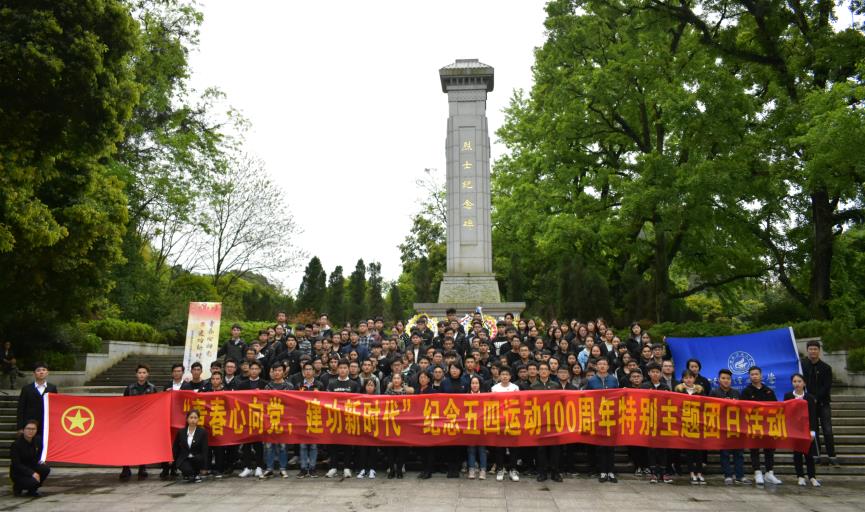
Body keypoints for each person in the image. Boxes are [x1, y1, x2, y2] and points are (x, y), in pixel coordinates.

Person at [741, 366, 782, 486]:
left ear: (761, 375)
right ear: (749, 376)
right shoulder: (746, 391)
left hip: (768, 424)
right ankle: (757, 472)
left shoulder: (768, 391)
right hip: (753, 425)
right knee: (754, 448)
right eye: (752, 374)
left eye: (756, 374)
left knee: (769, 449)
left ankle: (769, 472)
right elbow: (743, 408)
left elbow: (776, 407)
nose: (754, 376)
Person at [801, 340, 837, 466]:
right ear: (807, 350)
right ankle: (816, 454)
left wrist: (816, 398)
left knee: (827, 429)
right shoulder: (803, 366)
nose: (813, 351)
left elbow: (827, 386)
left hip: (823, 403)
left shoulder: (826, 368)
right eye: (810, 349)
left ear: (819, 351)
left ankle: (832, 455)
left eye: (815, 349)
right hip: (809, 404)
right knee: (813, 429)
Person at [710, 369, 749, 485]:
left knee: (739, 453)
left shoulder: (736, 393)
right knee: (725, 453)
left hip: (736, 427)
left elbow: (742, 409)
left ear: (731, 380)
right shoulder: (714, 393)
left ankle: (740, 476)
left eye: (728, 378)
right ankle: (728, 475)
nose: (726, 380)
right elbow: (709, 409)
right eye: (723, 378)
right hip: (722, 427)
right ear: (718, 380)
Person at [121, 364, 158, 481]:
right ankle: (126, 467)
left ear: (148, 374)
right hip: (132, 421)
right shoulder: (129, 388)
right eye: (140, 373)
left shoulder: (152, 388)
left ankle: (142, 468)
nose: (142, 375)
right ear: (136, 374)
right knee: (128, 445)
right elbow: (124, 405)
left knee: (143, 445)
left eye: (144, 372)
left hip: (146, 422)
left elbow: (156, 404)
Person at [325, 359, 361, 479]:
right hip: (335, 418)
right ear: (337, 369)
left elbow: (358, 401)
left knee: (348, 443)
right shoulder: (331, 384)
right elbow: (327, 400)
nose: (343, 370)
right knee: (333, 443)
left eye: (345, 368)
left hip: (348, 418)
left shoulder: (354, 384)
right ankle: (333, 467)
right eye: (341, 368)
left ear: (349, 369)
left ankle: (347, 467)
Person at [585, 358, 619, 483]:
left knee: (611, 446)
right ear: (596, 366)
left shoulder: (613, 380)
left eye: (604, 364)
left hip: (611, 417)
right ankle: (603, 471)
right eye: (600, 364)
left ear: (608, 366)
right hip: (597, 417)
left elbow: (618, 396)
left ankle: (611, 471)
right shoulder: (591, 380)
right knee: (600, 446)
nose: (602, 366)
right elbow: (587, 397)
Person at [785, 373, 821, 487]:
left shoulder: (809, 397)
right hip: (794, 430)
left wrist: (812, 431)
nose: (797, 384)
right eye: (794, 381)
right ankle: (800, 476)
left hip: (806, 429)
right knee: (797, 454)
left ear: (804, 383)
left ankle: (812, 477)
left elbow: (813, 415)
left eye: (799, 381)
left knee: (809, 454)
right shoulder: (788, 396)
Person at [640, 363, 671, 483]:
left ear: (661, 373)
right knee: (651, 448)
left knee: (663, 448)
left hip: (663, 421)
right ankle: (653, 473)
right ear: (648, 373)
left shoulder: (665, 387)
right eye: (652, 372)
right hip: (649, 420)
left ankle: (663, 472)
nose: (655, 374)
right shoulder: (644, 386)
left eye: (657, 372)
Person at [531, 362, 562, 482]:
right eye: (541, 369)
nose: (543, 371)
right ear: (538, 372)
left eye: (545, 369)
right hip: (540, 422)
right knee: (541, 449)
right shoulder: (533, 386)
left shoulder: (555, 385)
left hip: (554, 421)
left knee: (555, 449)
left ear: (549, 372)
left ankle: (555, 472)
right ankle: (542, 473)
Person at [674, 370, 706, 484]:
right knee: (689, 450)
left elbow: (705, 404)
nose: (688, 380)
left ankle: (699, 473)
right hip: (684, 422)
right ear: (683, 379)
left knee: (699, 450)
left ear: (694, 379)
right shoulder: (678, 390)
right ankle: (692, 473)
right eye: (686, 378)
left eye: (691, 377)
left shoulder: (700, 390)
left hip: (697, 422)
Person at [263, 363, 293, 478]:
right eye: (275, 370)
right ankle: (269, 468)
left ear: (284, 372)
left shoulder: (289, 386)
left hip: (284, 420)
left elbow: (292, 403)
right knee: (269, 446)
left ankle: (282, 468)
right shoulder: (268, 387)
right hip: (270, 419)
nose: (277, 372)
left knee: (283, 446)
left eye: (279, 370)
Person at [237, 361, 266, 478]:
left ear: (260, 370)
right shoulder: (242, 385)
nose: (254, 371)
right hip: (246, 417)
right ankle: (247, 467)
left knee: (258, 443)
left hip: (260, 418)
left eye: (256, 369)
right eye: (252, 369)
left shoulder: (264, 384)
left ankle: (259, 467)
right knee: (246, 444)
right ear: (248, 370)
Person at [491, 367, 520, 482]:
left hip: (513, 420)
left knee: (513, 447)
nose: (504, 376)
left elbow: (518, 403)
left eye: (507, 374)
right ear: (499, 376)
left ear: (510, 376)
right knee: (499, 447)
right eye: (502, 374)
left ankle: (513, 469)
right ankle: (500, 469)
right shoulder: (494, 388)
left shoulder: (515, 388)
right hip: (499, 421)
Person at [9, 419, 50, 497]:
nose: (31, 431)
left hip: (32, 467)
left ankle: (32, 490)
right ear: (23, 430)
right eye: (28, 428)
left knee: (45, 468)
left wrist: (40, 461)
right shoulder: (16, 444)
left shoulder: (37, 440)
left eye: (33, 429)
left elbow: (38, 455)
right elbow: (16, 464)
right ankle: (18, 487)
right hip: (19, 472)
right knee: (33, 481)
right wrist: (32, 473)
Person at [296, 361, 323, 478]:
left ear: (314, 371)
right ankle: (303, 468)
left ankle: (312, 468)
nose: (308, 371)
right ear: (303, 372)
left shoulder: (319, 385)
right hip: (302, 418)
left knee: (313, 446)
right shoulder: (298, 385)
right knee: (302, 446)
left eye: (310, 369)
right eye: (306, 369)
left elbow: (325, 401)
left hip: (315, 417)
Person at [384, 373, 412, 479]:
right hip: (390, 423)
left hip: (403, 424)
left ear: (402, 380)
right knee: (390, 448)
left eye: (398, 378)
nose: (396, 380)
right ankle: (391, 469)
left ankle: (399, 469)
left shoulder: (406, 392)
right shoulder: (388, 392)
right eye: (394, 378)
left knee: (402, 448)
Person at [17, 362, 58, 434]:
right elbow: (21, 408)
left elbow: (55, 406)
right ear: (34, 373)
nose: (41, 372)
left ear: (47, 373)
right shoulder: (26, 389)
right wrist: (20, 427)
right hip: (30, 424)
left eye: (44, 370)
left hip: (46, 423)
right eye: (38, 370)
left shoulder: (52, 388)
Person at [173, 409, 208, 483]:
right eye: (191, 417)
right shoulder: (181, 432)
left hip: (197, 457)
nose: (193, 420)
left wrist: (205, 467)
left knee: (198, 459)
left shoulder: (202, 432)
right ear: (187, 419)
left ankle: (195, 474)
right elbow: (176, 446)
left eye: (195, 418)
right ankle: (191, 474)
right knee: (187, 469)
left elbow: (205, 449)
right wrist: (172, 458)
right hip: (184, 458)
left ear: (198, 419)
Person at [464, 375, 488, 480]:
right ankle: (471, 469)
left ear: (480, 385)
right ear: (470, 385)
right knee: (471, 449)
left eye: (476, 383)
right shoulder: (465, 396)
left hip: (482, 426)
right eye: (473, 383)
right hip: (470, 427)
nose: (474, 385)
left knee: (482, 449)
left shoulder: (485, 396)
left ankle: (483, 470)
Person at [356, 379, 379, 479]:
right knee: (362, 449)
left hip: (374, 427)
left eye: (372, 385)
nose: (370, 387)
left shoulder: (379, 398)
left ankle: (372, 469)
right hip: (363, 427)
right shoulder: (360, 398)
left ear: (375, 387)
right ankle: (362, 469)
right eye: (368, 385)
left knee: (373, 449)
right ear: (365, 387)